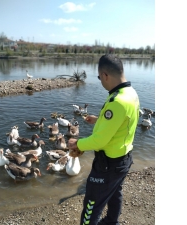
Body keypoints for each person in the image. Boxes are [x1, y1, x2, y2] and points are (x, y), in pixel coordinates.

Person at [68, 54, 140, 225]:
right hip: (123, 158)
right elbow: (121, 121)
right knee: (115, 193)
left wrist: (77, 143)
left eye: (100, 77)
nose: (100, 81)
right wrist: (98, 119)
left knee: (92, 205)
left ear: (106, 75)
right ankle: (111, 222)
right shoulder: (129, 93)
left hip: (108, 165)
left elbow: (100, 141)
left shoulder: (117, 101)